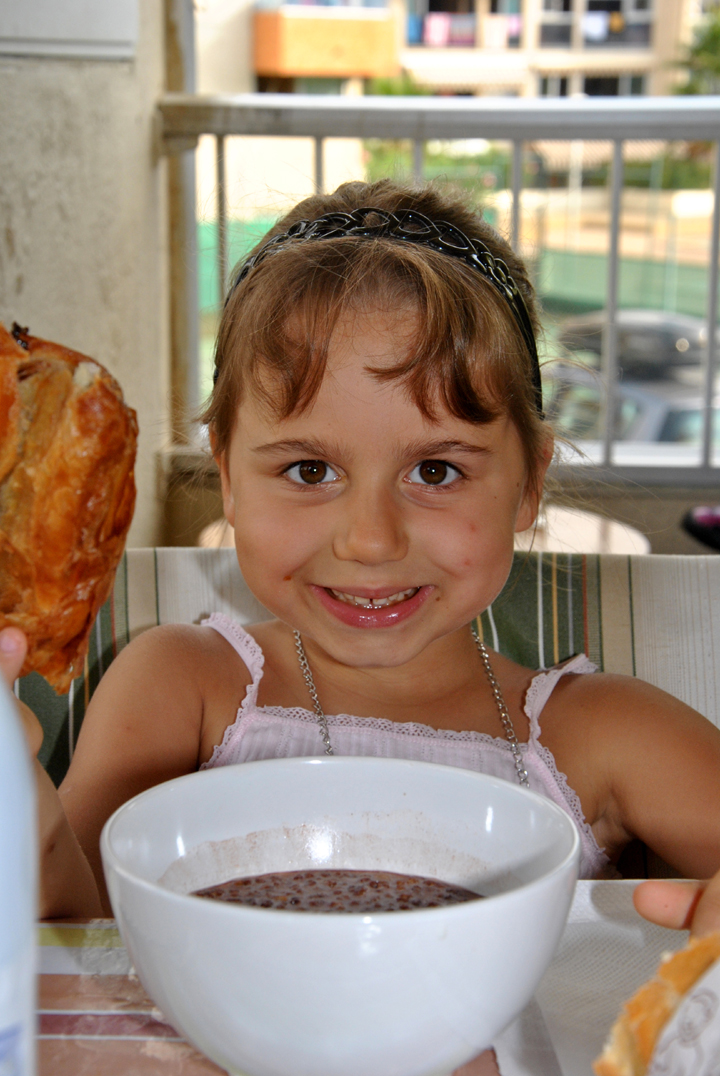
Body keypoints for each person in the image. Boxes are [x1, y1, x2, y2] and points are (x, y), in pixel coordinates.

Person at [3, 179, 720, 928]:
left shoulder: (603, 734)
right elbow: (76, 938)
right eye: (309, 470)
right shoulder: (183, 689)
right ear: (229, 479)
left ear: (528, 485)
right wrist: (20, 808)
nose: (370, 540)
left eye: (435, 471)